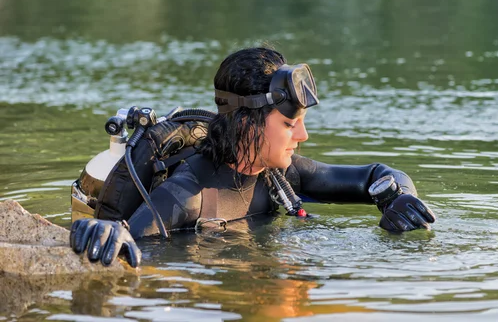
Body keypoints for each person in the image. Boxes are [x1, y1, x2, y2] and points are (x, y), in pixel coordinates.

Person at [70, 47, 436, 268]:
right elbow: (126, 243)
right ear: (248, 124)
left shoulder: (280, 176)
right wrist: (105, 232)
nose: (303, 136)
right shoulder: (188, 196)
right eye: (290, 124)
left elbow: (377, 174)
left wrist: (400, 195)